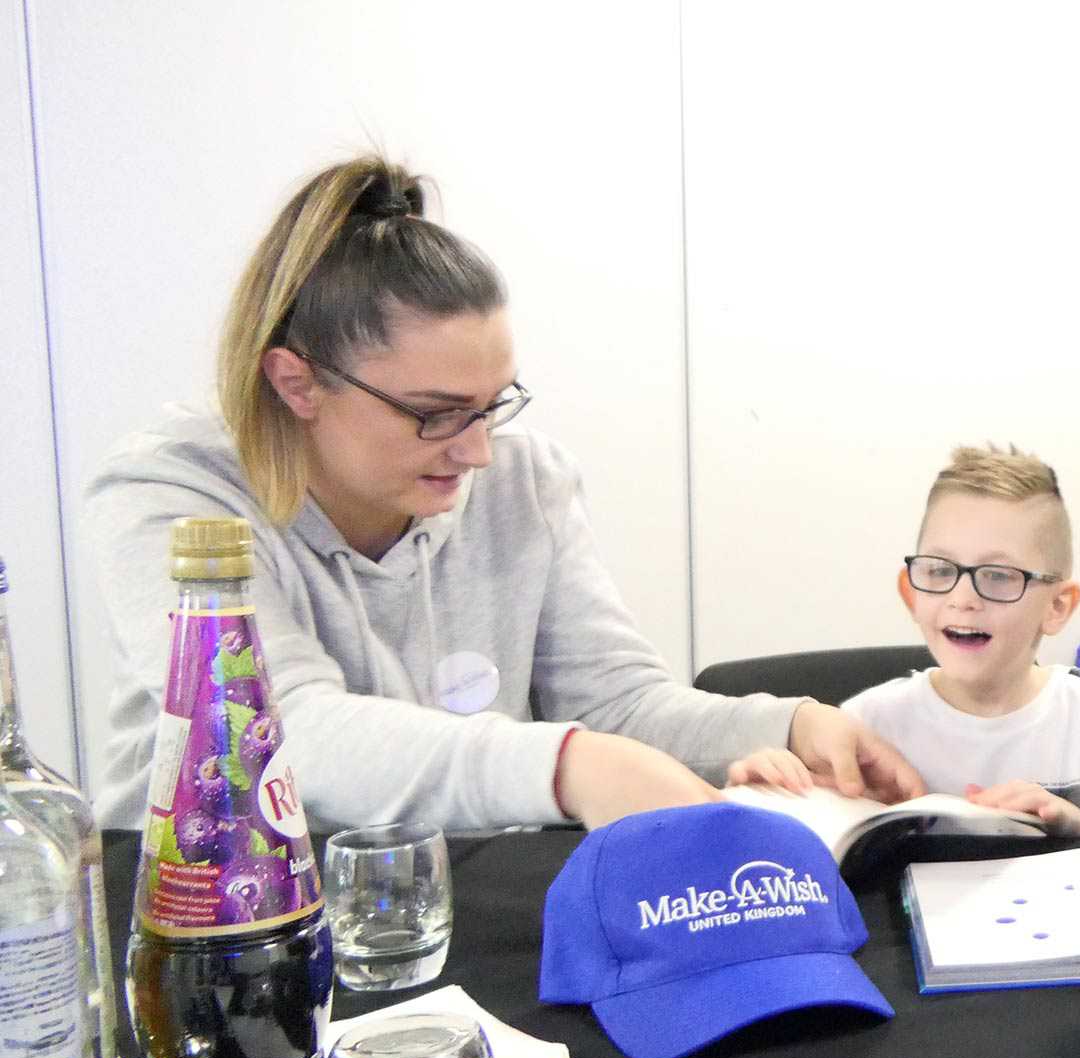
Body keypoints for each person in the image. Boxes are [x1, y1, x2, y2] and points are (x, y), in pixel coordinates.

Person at [86, 156, 920, 833]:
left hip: (447, 910)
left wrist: (787, 726)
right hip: (218, 929)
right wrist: (564, 766)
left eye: (493, 405)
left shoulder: (524, 479)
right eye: (435, 415)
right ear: (297, 382)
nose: (479, 450)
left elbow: (616, 703)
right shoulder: (171, 500)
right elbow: (277, 731)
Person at [770, 444, 1080, 837]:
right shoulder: (866, 723)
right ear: (910, 593)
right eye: (938, 570)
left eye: (998, 575)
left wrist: (1072, 826)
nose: (962, 599)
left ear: (1057, 606)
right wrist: (777, 790)